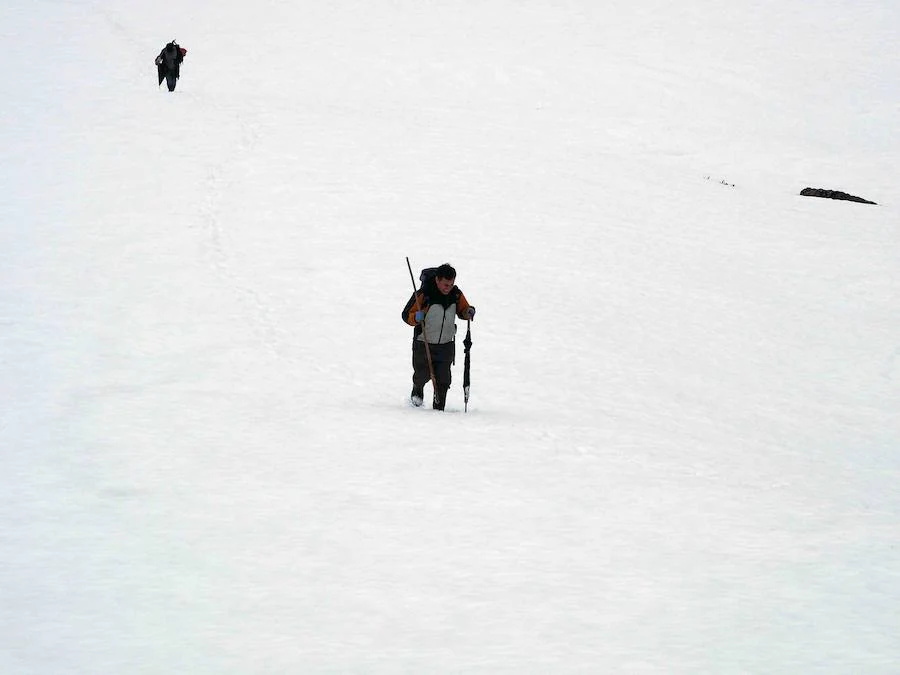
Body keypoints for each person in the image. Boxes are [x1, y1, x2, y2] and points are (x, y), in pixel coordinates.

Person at [402, 263, 475, 410]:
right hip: (424, 343)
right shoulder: (424, 294)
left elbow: (463, 310)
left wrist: (468, 311)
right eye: (445, 284)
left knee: (443, 380)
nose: (448, 288)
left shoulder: (456, 294)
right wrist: (416, 318)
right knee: (422, 375)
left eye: (451, 284)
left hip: (446, 345)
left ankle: (439, 410)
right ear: (437, 280)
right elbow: (405, 315)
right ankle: (417, 392)